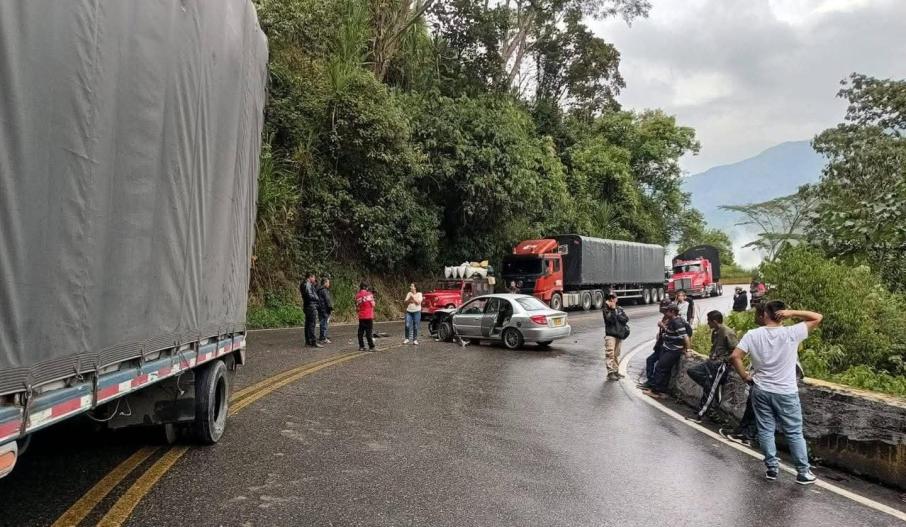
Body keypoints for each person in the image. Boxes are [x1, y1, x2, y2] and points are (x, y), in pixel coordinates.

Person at [729, 300, 823, 485]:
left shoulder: (753, 334)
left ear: (764, 315)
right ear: (782, 314)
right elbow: (817, 317)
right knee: (794, 432)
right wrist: (793, 313)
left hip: (761, 390)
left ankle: (772, 468)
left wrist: (744, 376)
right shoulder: (791, 333)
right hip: (786, 392)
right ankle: (803, 472)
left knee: (765, 430)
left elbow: (735, 356)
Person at [686, 311, 738, 423]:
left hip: (720, 365)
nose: (708, 323)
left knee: (709, 390)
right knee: (692, 371)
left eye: (709, 320)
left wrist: (725, 360)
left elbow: (735, 350)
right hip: (711, 362)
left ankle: (700, 415)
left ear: (714, 321)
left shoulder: (727, 332)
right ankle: (711, 391)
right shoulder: (715, 332)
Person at [643, 303, 692, 399]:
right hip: (668, 348)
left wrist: (688, 350)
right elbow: (671, 332)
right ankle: (662, 391)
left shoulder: (677, 322)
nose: (665, 313)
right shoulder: (672, 320)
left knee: (660, 368)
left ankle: (656, 391)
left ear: (673, 312)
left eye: (667, 311)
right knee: (665, 370)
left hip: (673, 350)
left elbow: (685, 336)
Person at [602, 293, 629, 381]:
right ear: (610, 300)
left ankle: (616, 371)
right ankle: (610, 373)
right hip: (610, 335)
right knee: (610, 354)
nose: (614, 299)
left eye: (614, 297)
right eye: (612, 298)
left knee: (616, 354)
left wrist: (617, 314)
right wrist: (613, 310)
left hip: (619, 334)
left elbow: (626, 319)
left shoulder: (620, 309)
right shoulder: (606, 310)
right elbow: (610, 320)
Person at [300, 273, 322, 348]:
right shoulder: (307, 284)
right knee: (312, 324)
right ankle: (313, 342)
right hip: (311, 306)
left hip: (307, 306)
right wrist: (317, 298)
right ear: (310, 277)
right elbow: (309, 295)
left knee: (307, 324)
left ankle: (308, 341)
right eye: (314, 277)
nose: (315, 279)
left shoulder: (304, 284)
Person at [355, 282, 376, 351]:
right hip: (369, 315)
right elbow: (373, 304)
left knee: (360, 332)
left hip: (361, 316)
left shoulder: (357, 296)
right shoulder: (369, 294)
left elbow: (357, 307)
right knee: (368, 332)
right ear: (366, 287)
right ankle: (371, 346)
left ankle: (361, 346)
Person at [317, 278, 333, 344]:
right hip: (324, 310)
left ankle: (322, 337)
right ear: (325, 283)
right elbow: (327, 300)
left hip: (320, 309)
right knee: (324, 324)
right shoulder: (324, 290)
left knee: (322, 324)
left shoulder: (319, 290)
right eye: (328, 283)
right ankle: (323, 338)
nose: (329, 284)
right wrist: (330, 308)